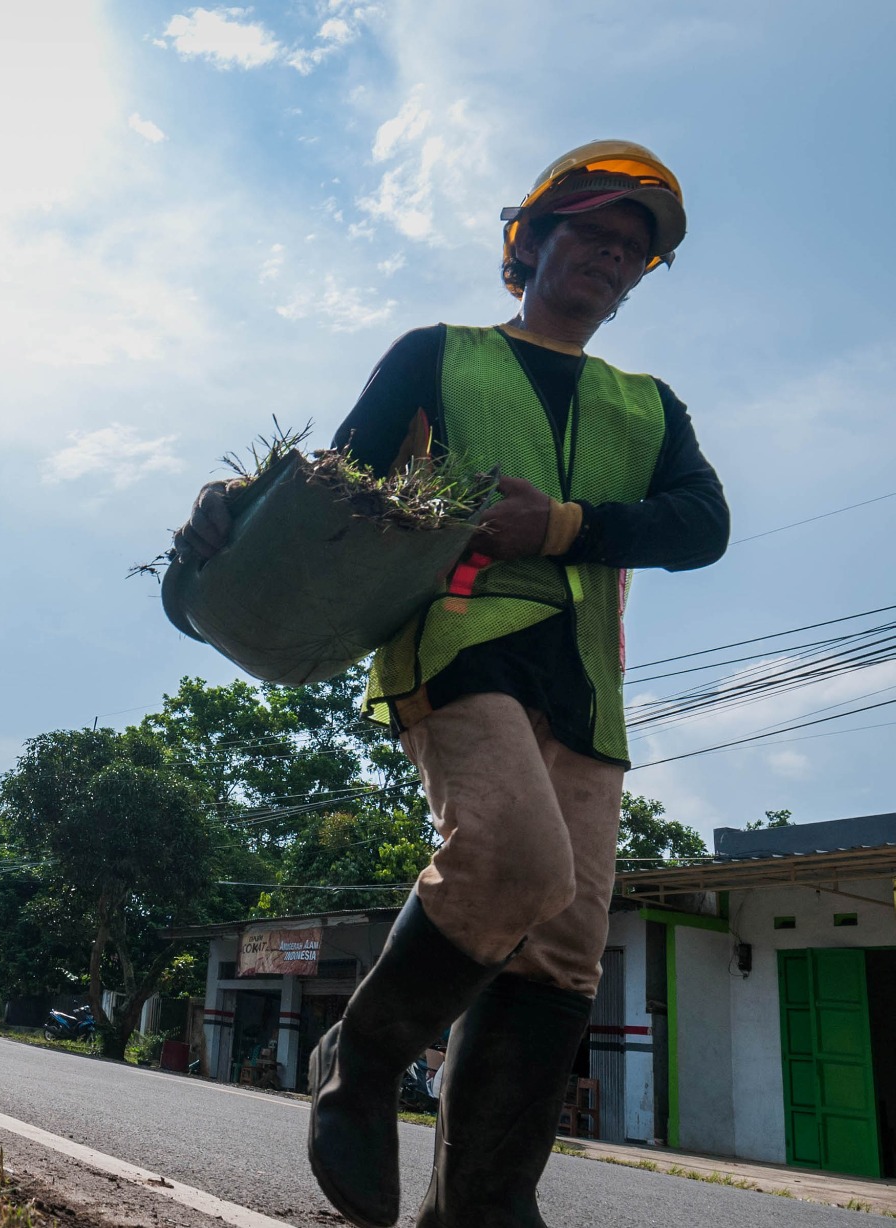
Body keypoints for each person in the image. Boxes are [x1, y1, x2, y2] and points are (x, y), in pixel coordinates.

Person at [175, 142, 727, 1227]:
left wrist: (563, 525)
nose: (609, 260)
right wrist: (233, 502)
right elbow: (339, 482)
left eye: (630, 251)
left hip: (589, 689)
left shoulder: (650, 407)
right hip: (461, 646)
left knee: (563, 953)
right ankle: (362, 1055)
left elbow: (701, 525)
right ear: (527, 244)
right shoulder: (437, 356)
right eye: (589, 234)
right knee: (515, 860)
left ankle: (479, 1204)